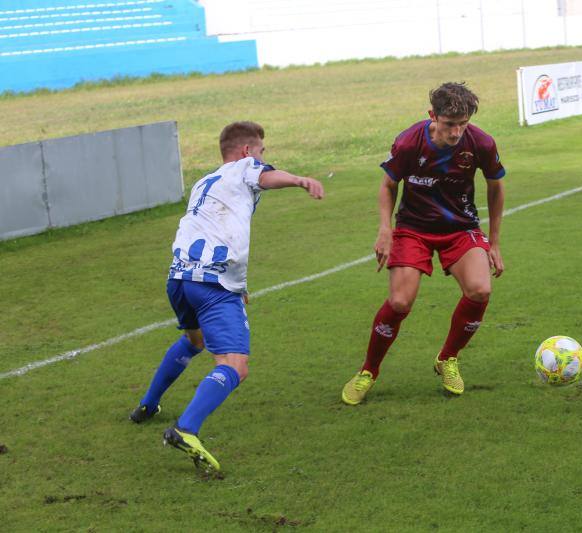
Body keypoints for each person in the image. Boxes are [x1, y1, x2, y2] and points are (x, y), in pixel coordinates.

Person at [129, 121, 324, 472]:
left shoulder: (205, 182)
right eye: (262, 152)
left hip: (178, 278)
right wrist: (299, 180)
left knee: (194, 341)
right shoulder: (245, 168)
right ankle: (187, 429)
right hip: (212, 286)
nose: (265, 159)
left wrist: (241, 285)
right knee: (235, 366)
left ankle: (148, 404)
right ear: (248, 151)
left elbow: (217, 230)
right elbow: (265, 176)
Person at [341, 82, 505, 405]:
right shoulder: (409, 142)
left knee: (480, 290)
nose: (457, 132)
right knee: (400, 302)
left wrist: (494, 242)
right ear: (433, 115)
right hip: (413, 228)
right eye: (449, 124)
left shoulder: (481, 143)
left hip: (461, 227)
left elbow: (496, 188)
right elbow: (389, 185)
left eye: (463, 124)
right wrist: (385, 229)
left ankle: (448, 358)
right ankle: (368, 372)